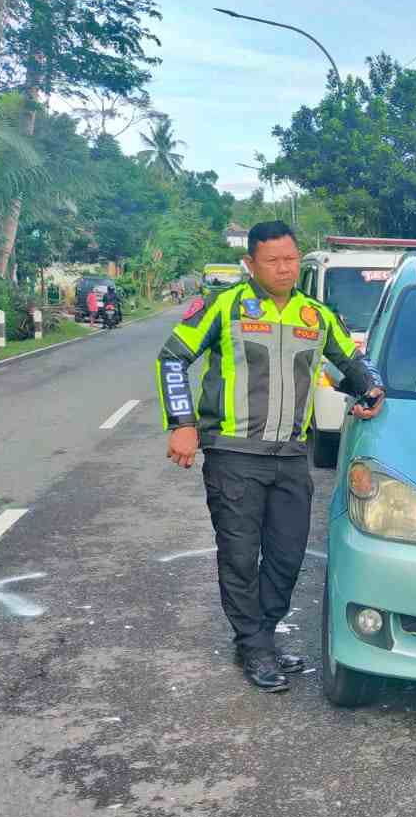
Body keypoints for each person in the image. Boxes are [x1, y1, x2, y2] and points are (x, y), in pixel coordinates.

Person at [156, 221, 386, 693]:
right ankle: (256, 646)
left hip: (290, 459)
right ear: (250, 264)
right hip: (233, 455)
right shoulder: (224, 306)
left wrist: (370, 386)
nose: (284, 269)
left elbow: (349, 362)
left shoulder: (316, 315)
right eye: (272, 261)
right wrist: (181, 424)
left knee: (286, 556)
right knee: (240, 556)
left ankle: (259, 636)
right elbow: (173, 357)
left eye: (290, 259)